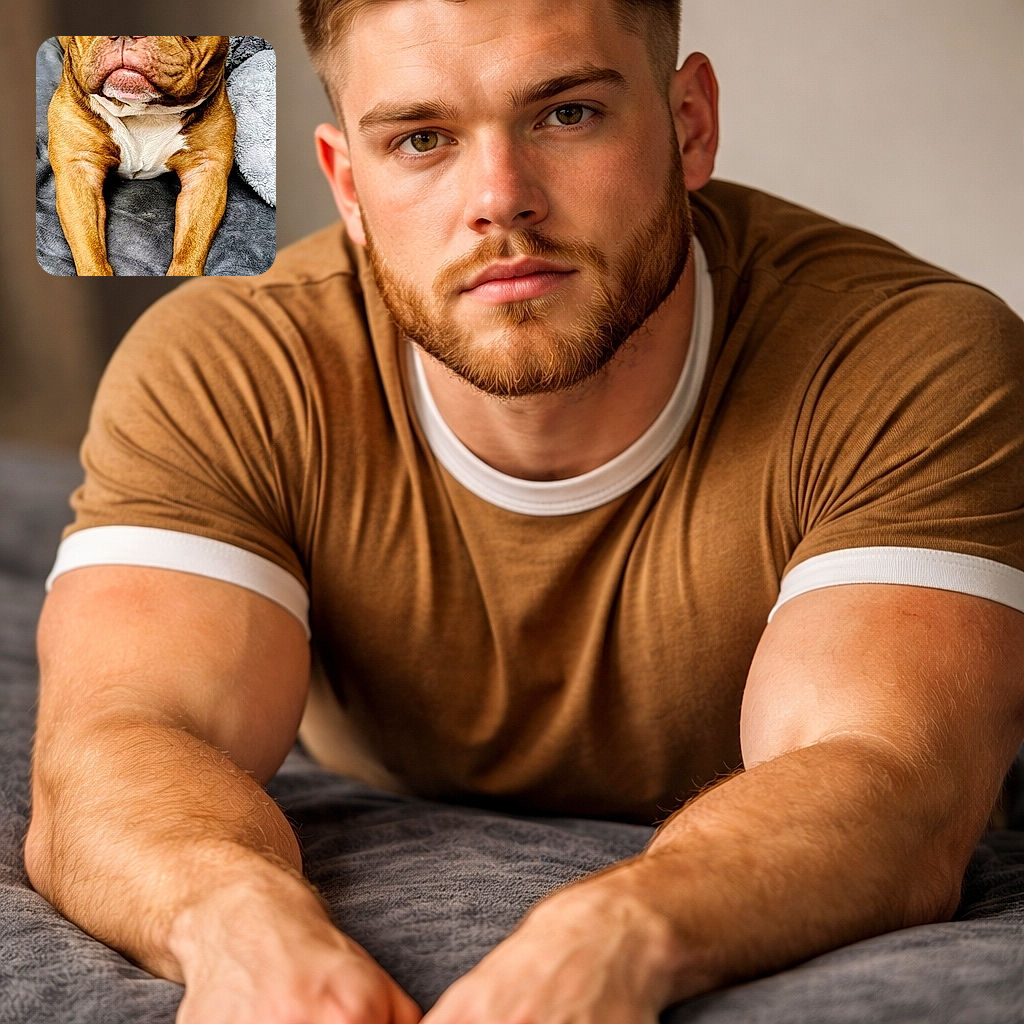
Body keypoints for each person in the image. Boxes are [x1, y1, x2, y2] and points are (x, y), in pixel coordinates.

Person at [25, 1, 1024, 1022]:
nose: (500, 200)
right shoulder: (228, 368)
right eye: (421, 140)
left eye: (567, 114)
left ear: (689, 125)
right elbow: (117, 743)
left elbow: (890, 778)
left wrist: (617, 931)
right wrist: (239, 927)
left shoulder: (910, 361)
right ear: (348, 183)